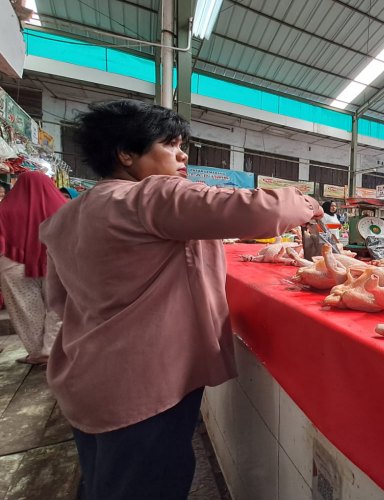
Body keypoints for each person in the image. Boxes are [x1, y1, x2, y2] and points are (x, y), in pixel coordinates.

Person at [38, 100, 322, 500]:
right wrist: (310, 204)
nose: (183, 154)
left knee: (105, 481)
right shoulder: (149, 197)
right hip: (144, 385)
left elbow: (58, 298)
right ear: (126, 154)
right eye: (170, 144)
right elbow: (261, 208)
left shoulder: (65, 217)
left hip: (84, 376)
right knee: (149, 484)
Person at [0, 171, 65, 365]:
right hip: (56, 263)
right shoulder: (63, 206)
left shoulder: (4, 209)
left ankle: (38, 354)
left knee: (26, 311)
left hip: (14, 265)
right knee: (57, 307)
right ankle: (53, 350)